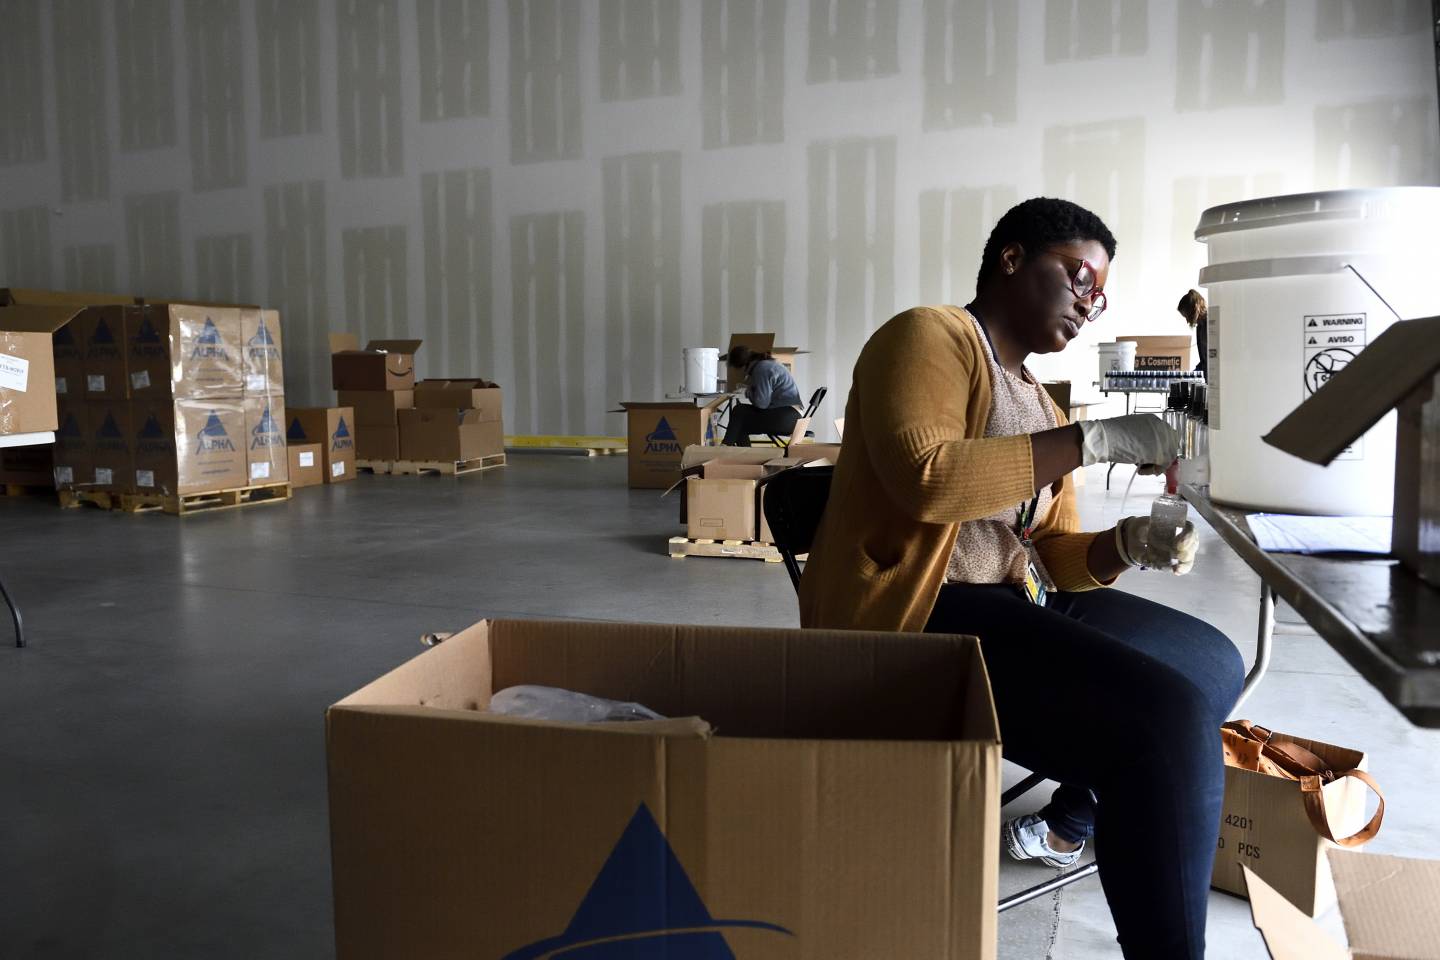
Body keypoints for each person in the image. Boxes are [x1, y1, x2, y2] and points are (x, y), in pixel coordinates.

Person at [799, 197, 1244, 960]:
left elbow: (1056, 556)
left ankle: (1075, 815)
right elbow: (929, 481)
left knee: (1212, 662)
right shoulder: (930, 336)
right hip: (920, 615)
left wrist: (1128, 543)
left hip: (1012, 600)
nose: (1089, 305)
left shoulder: (1039, 400)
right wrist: (1088, 440)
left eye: (1099, 294)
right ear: (1012, 259)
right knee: (1165, 725)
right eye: (1078, 278)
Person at [722, 345, 803, 446]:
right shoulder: (767, 364)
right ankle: (744, 456)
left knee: (739, 410)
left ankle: (725, 447)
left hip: (787, 417)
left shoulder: (761, 368)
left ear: (743, 366)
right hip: (791, 416)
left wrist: (747, 391)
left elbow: (762, 403)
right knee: (739, 424)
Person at [1179, 289, 1208, 376]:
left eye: (1187, 316)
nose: (1187, 321)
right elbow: (1204, 362)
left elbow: (1210, 360)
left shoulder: (1209, 324)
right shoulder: (1200, 326)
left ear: (1195, 308)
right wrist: (1192, 374)